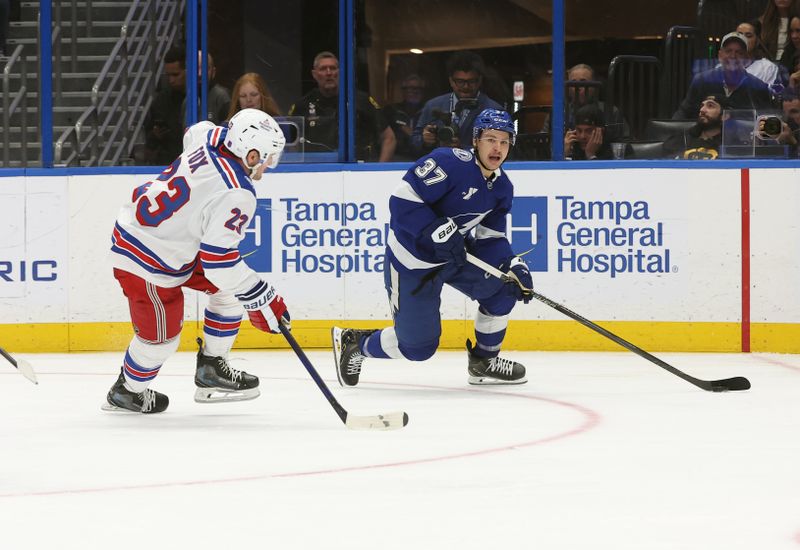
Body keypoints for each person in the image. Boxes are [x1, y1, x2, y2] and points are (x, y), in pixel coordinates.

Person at [103, 108, 290, 414]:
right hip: (147, 260)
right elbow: (219, 262)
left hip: (166, 241)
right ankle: (126, 391)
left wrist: (252, 294)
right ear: (252, 155)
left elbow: (196, 131)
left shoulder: (213, 138)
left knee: (228, 291)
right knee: (160, 342)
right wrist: (262, 297)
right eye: (268, 157)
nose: (270, 165)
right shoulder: (237, 193)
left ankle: (212, 369)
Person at [331, 109, 531, 387]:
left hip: (453, 255)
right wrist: (431, 229)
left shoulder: (502, 188)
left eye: (504, 141)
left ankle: (484, 362)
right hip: (414, 261)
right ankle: (356, 343)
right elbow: (401, 202)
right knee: (417, 349)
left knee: (502, 292)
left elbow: (491, 240)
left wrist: (511, 265)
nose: (497, 147)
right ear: (476, 140)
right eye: (490, 139)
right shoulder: (449, 162)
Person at [288, 51, 395, 161]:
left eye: (333, 68)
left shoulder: (360, 100)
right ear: (314, 74)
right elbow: (290, 145)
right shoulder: (302, 105)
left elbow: (389, 138)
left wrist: (378, 170)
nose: (329, 73)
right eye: (323, 69)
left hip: (358, 170)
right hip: (317, 171)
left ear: (340, 72)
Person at [411, 51, 502, 154]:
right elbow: (414, 141)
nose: (466, 86)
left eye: (471, 81)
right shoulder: (433, 106)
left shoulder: (494, 111)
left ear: (479, 80)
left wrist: (463, 149)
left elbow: (501, 148)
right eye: (460, 82)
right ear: (451, 81)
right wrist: (425, 140)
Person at [673, 32, 775, 119]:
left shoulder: (758, 87)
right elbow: (682, 116)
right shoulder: (702, 81)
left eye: (739, 52)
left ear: (746, 58)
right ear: (720, 55)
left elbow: (766, 123)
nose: (733, 56)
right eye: (728, 51)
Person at [541, 63, 629, 141]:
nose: (578, 87)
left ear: (594, 87)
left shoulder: (611, 112)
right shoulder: (558, 113)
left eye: (583, 82)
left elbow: (625, 144)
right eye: (573, 83)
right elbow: (544, 142)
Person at [142, 46, 187, 165]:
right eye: (168, 75)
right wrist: (155, 136)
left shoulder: (204, 97)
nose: (171, 80)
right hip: (167, 164)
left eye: (176, 75)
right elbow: (148, 141)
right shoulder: (161, 101)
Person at [663, 94, 729, 159]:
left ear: (724, 116)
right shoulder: (682, 139)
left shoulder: (730, 144)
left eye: (710, 106)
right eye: (702, 106)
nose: (702, 110)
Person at [383, 74, 427, 161]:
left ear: (423, 92)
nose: (413, 92)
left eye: (417, 88)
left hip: (422, 159)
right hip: (396, 159)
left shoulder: (427, 111)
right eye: (408, 88)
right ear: (403, 91)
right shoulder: (391, 111)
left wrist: (412, 133)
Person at [737, 20, 788, 93]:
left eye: (748, 36)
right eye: (739, 35)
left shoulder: (768, 67)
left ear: (757, 41)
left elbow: (778, 91)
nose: (743, 39)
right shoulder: (722, 66)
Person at [183, 52, 231, 126]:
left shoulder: (221, 97)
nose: (199, 73)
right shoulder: (187, 101)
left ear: (213, 72)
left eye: (204, 68)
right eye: (195, 68)